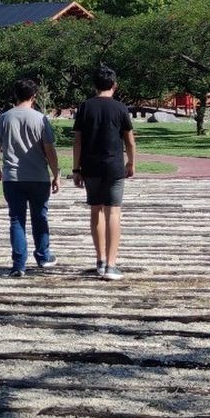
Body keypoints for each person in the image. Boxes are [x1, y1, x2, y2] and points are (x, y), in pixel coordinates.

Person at [0, 78, 61, 278]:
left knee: (16, 219)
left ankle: (18, 264)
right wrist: (56, 174)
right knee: (40, 216)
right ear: (34, 96)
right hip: (38, 176)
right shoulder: (40, 119)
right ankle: (43, 254)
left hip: (12, 177)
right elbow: (50, 150)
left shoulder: (4, 118)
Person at [72, 65, 136, 281]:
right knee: (113, 212)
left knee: (96, 211)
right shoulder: (120, 108)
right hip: (113, 166)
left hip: (90, 166)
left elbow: (77, 140)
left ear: (94, 85)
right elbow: (129, 139)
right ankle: (111, 263)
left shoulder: (85, 107)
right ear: (115, 85)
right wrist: (131, 163)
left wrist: (76, 168)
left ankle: (99, 260)